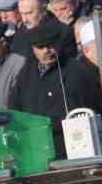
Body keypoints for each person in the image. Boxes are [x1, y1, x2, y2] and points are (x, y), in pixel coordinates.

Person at [11, 18, 74, 149]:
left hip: (66, 144)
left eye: (50, 45)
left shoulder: (73, 70)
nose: (46, 50)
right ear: (33, 48)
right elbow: (15, 105)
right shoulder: (26, 73)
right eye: (40, 47)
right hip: (34, 143)